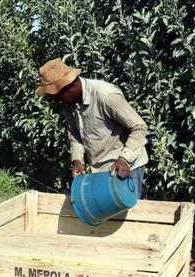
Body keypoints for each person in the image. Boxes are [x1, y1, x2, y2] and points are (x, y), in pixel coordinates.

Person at [35, 58, 148, 199]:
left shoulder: (105, 95)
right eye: (53, 98)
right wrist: (77, 159)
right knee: (108, 215)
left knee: (127, 214)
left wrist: (124, 158)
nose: (58, 101)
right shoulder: (69, 103)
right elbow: (74, 132)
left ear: (71, 84)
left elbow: (139, 126)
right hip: (101, 170)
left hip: (126, 166)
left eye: (58, 96)